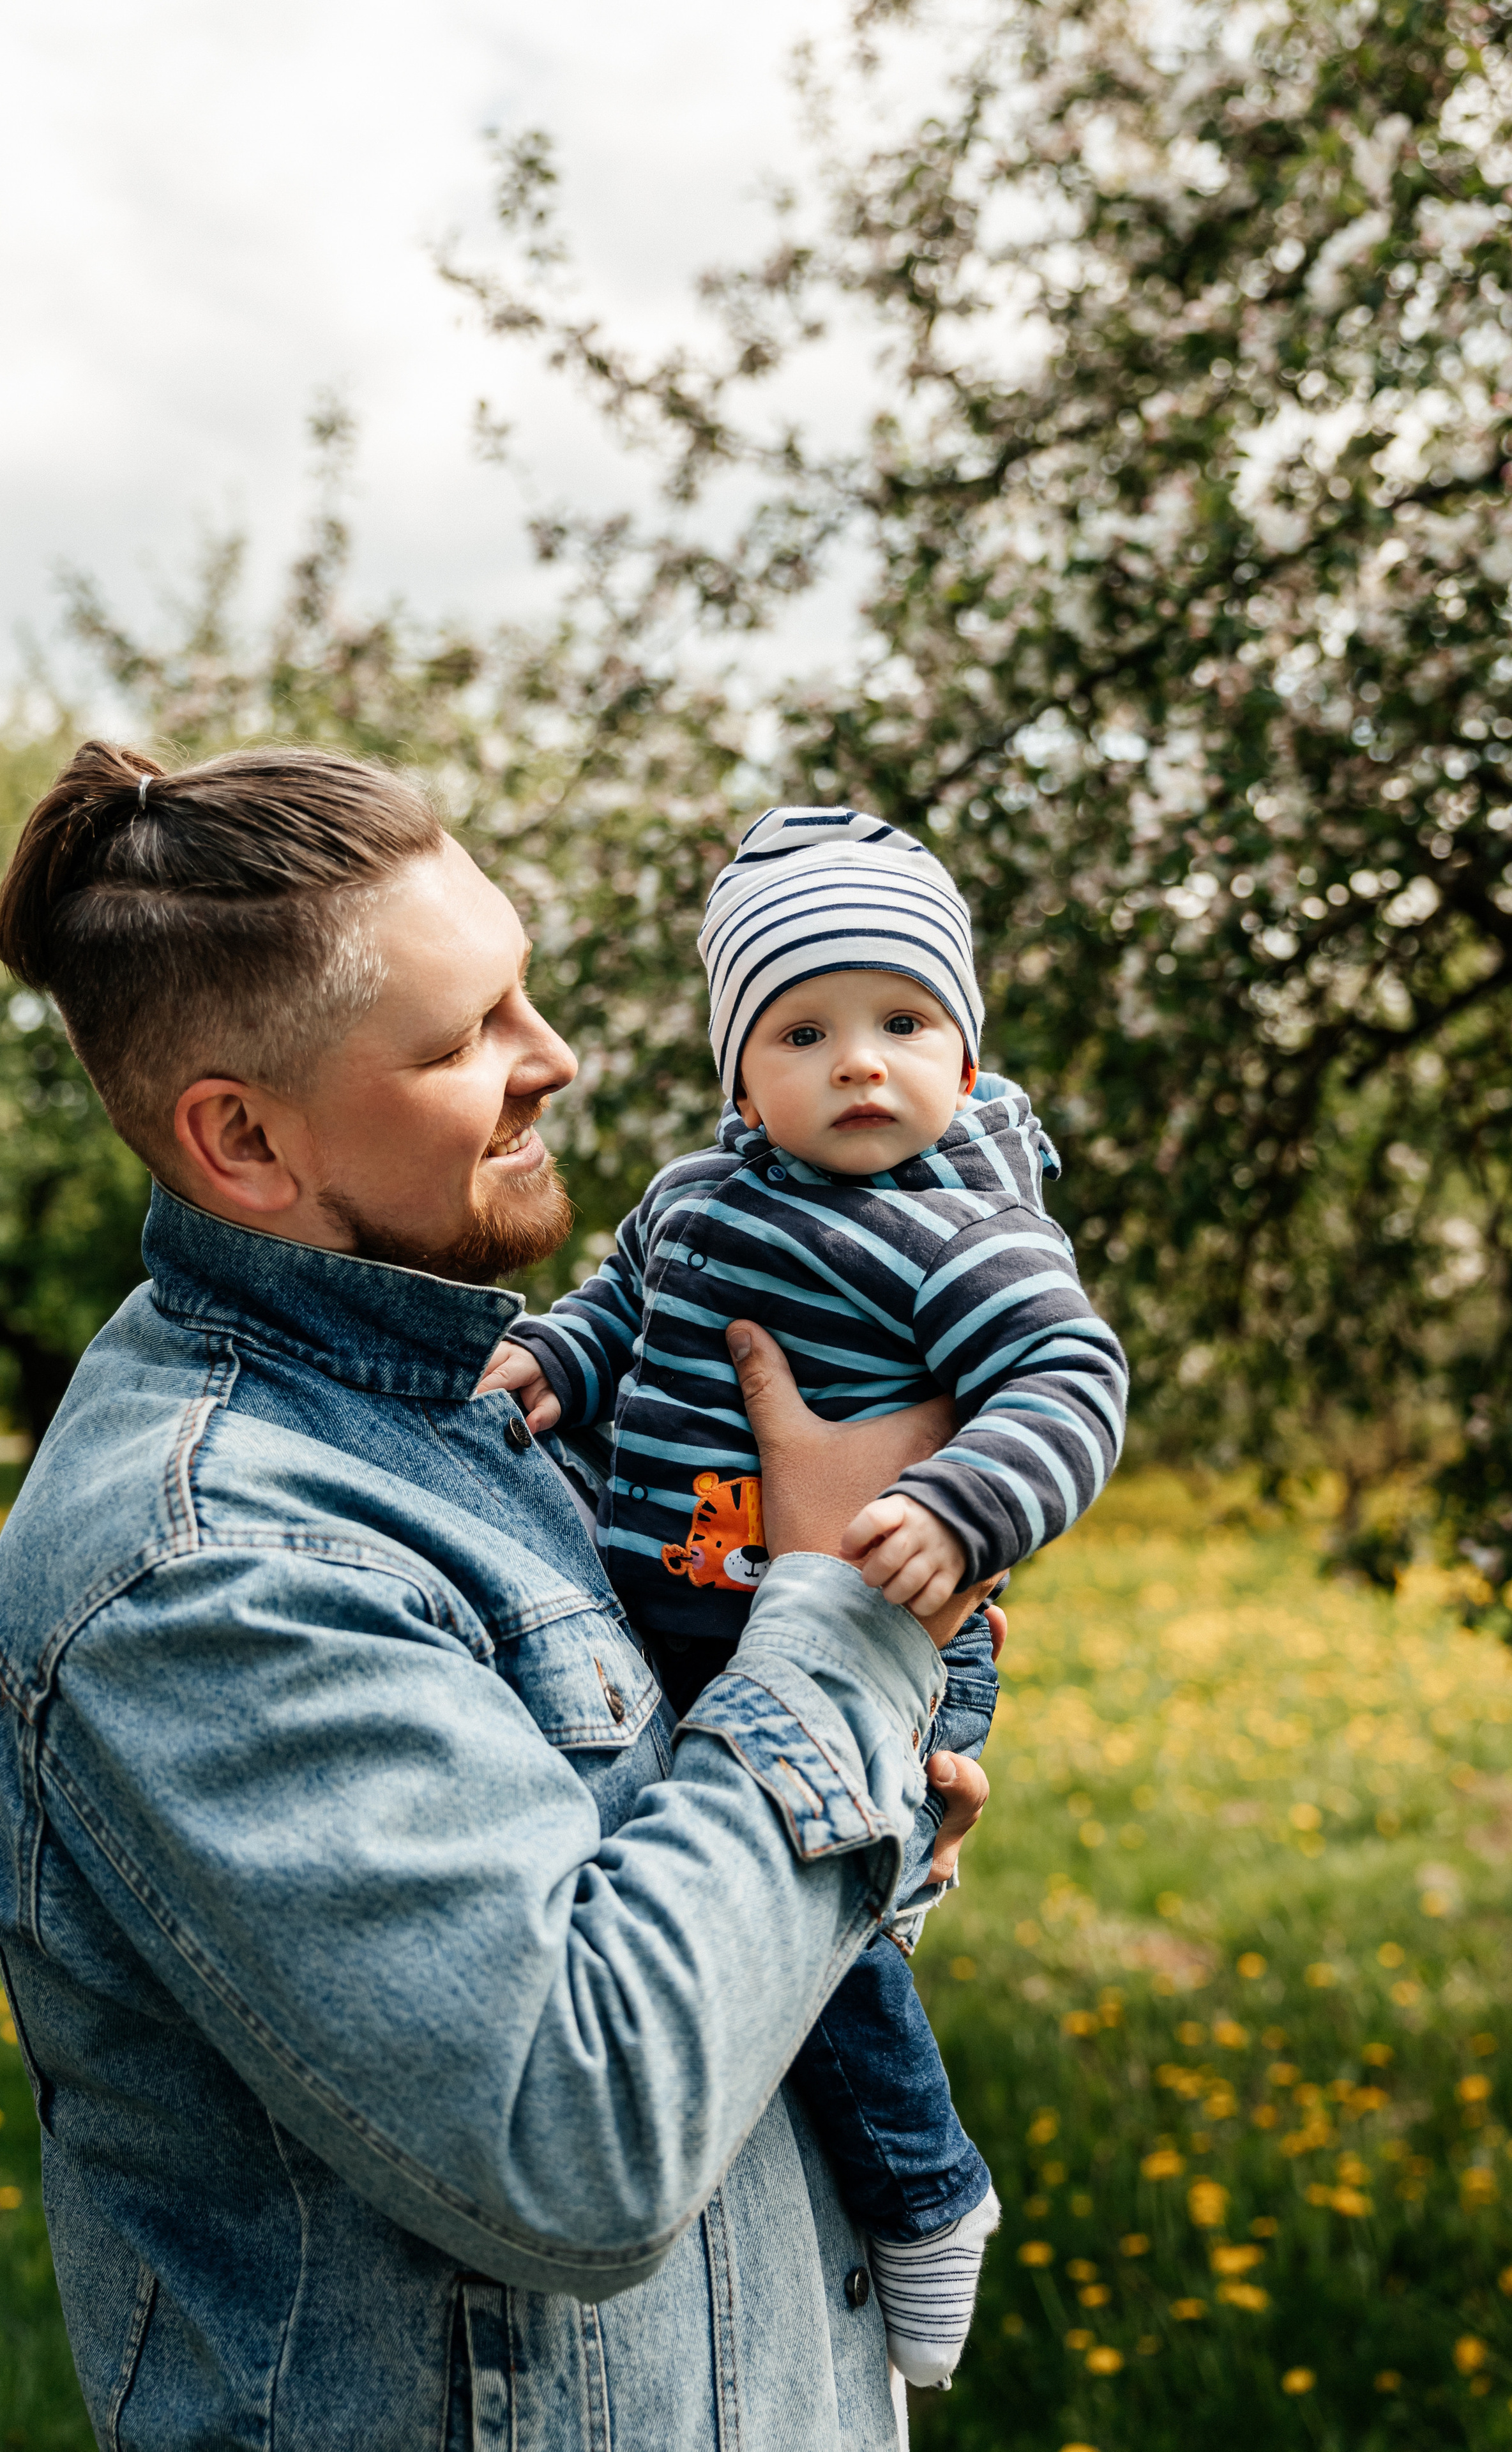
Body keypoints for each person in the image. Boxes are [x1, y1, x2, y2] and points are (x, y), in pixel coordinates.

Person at [0, 741, 1002, 2452]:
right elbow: (578, 2144)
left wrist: (861, 1828)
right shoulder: (210, 1571)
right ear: (244, 1139)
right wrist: (843, 1617)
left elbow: (677, 1915)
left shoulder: (489, 1401)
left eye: (522, 991)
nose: (557, 1060)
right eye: (463, 1038)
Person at [482, 807, 1127, 2387]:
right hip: (680, 1617)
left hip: (881, 1618)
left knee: (816, 1945)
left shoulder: (955, 1230)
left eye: (905, 1024)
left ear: (963, 1060)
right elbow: (622, 1301)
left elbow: (1068, 1379)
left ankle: (924, 2196)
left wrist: (955, 1503)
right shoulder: (698, 1198)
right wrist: (553, 1360)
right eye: (806, 1029)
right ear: (738, 1073)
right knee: (691, 1918)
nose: (860, 1064)